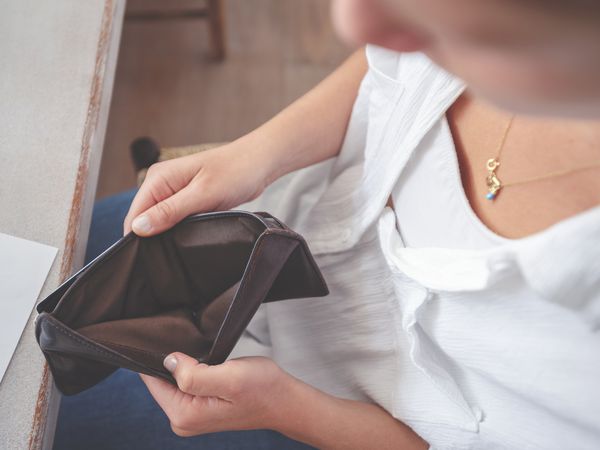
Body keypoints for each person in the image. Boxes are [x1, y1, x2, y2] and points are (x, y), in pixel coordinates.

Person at [55, 0, 600, 449]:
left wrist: (289, 412)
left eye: (472, 35)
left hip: (312, 415)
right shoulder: (410, 22)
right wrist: (258, 153)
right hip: (254, 219)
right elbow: (390, 58)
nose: (352, 23)